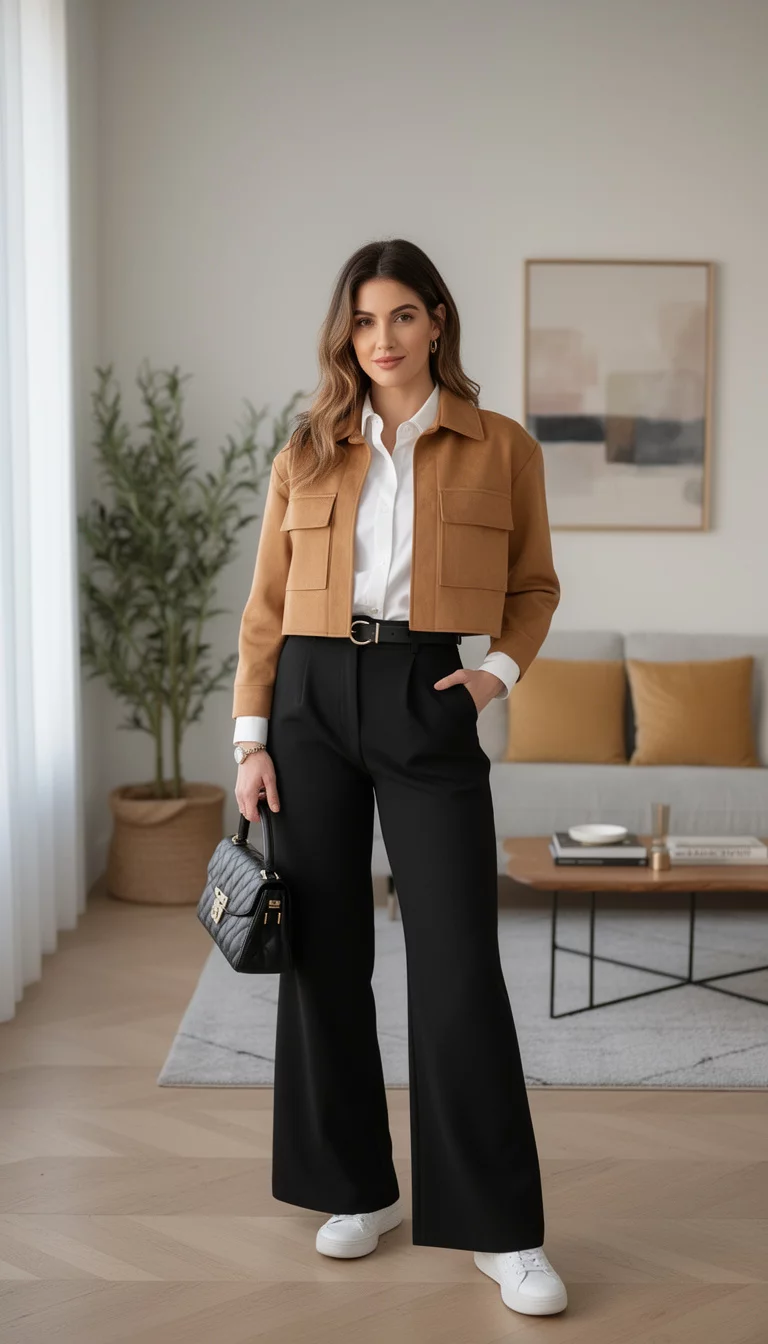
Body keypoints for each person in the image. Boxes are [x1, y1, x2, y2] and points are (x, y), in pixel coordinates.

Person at [232, 238, 567, 1317]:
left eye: (402, 318)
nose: (382, 340)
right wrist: (250, 742)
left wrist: (490, 681)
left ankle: (500, 1229)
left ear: (437, 322)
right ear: (348, 334)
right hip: (310, 704)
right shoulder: (308, 449)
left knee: (460, 961)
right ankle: (354, 1190)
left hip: (428, 691)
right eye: (364, 322)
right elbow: (267, 611)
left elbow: (535, 588)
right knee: (326, 953)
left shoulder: (501, 446)